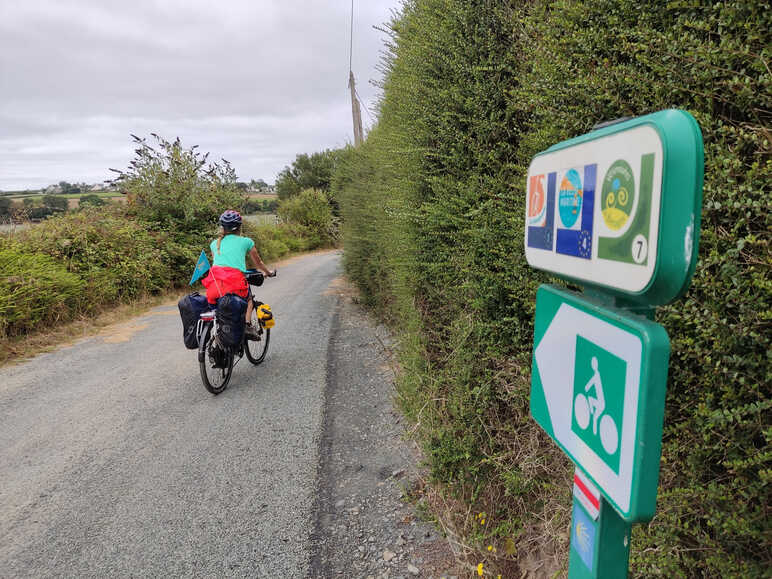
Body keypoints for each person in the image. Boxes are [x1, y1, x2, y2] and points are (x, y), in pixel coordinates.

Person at [202, 210, 275, 335]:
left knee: (217, 309)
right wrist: (268, 272)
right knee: (249, 300)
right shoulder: (246, 241)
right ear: (239, 227)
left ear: (222, 227)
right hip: (235, 282)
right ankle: (247, 326)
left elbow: (220, 264)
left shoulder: (214, 243)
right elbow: (258, 263)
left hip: (214, 284)